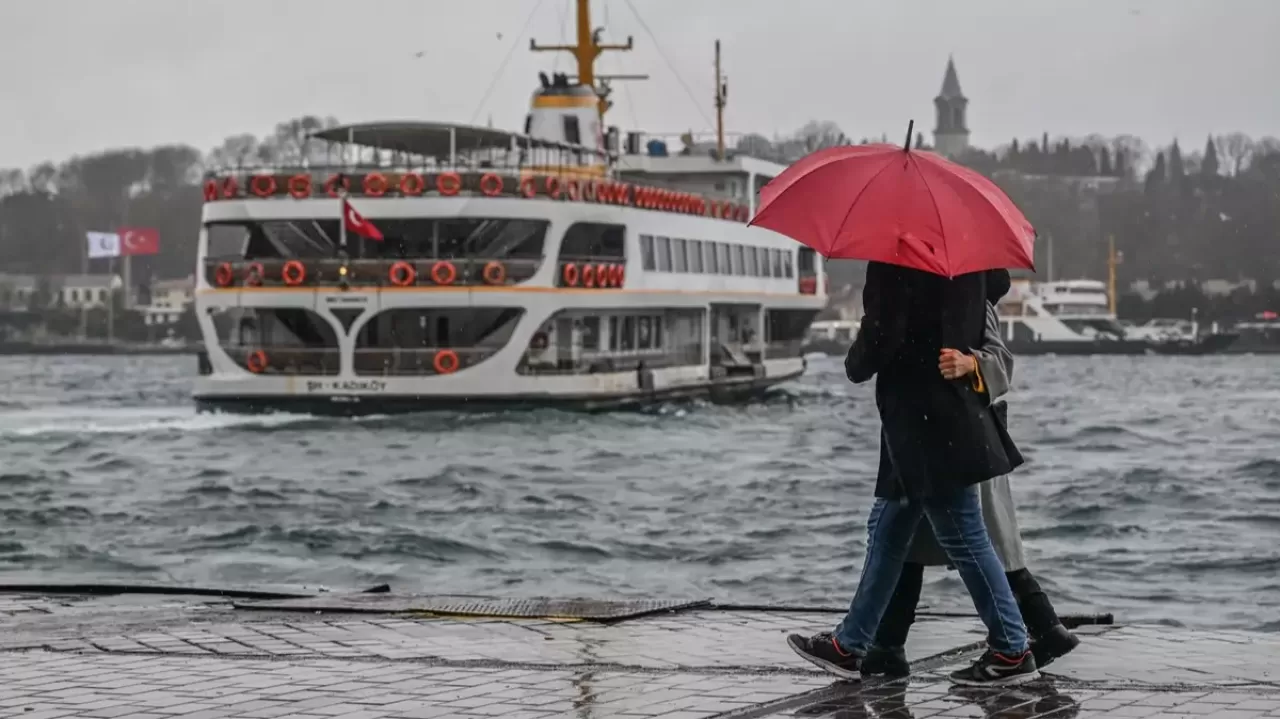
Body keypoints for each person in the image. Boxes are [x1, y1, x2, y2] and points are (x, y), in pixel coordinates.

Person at [787, 262, 1038, 687]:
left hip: (919, 419)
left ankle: (1012, 649)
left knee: (964, 533)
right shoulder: (970, 259)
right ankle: (850, 645)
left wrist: (855, 359)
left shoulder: (895, 258)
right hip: (949, 411)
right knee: (888, 530)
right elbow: (996, 287)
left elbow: (881, 336)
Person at [860, 270, 1080, 677]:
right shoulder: (937, 296)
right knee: (922, 543)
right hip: (929, 439)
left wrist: (969, 364)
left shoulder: (973, 300)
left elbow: (1000, 363)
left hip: (961, 444)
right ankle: (887, 646)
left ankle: (1039, 630)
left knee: (979, 545)